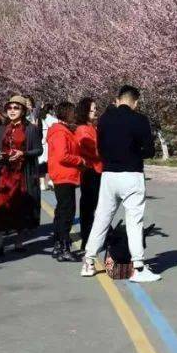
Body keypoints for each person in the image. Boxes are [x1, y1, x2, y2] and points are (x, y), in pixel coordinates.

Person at [81, 85, 160, 283]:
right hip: (132, 174)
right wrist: (134, 153)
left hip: (109, 174)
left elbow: (100, 147)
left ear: (118, 99)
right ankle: (139, 267)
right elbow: (149, 150)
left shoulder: (105, 120)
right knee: (134, 220)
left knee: (102, 218)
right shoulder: (140, 120)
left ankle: (89, 261)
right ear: (135, 102)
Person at [0, 95, 42, 255]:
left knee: (20, 208)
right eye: (9, 108)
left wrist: (23, 153)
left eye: (16, 108)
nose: (12, 111)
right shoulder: (2, 129)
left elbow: (39, 150)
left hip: (22, 175)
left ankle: (19, 243)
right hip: (4, 175)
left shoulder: (31, 128)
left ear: (23, 110)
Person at [47, 101, 84, 262]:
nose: (74, 115)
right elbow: (63, 155)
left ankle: (58, 244)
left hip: (62, 175)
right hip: (64, 175)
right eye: (72, 112)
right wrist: (80, 160)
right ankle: (64, 247)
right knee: (66, 212)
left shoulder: (62, 130)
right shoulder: (60, 133)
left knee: (61, 211)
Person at [74, 97, 102, 251]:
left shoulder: (93, 127)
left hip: (98, 169)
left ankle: (93, 237)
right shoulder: (82, 129)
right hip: (90, 170)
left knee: (95, 206)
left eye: (95, 109)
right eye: (92, 109)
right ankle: (87, 238)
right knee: (88, 207)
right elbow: (90, 150)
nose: (95, 112)